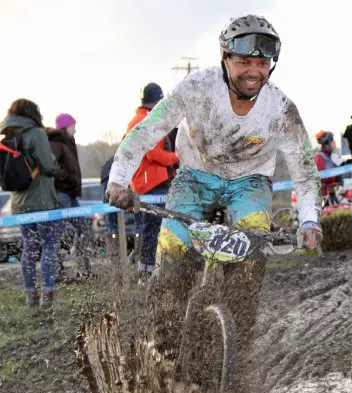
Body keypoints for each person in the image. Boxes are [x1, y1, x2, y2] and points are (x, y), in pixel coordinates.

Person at [106, 14, 322, 352]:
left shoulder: (281, 109)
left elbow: (305, 172)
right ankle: (164, 349)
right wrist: (119, 179)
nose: (254, 71)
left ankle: (237, 354)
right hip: (195, 176)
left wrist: (310, 221)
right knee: (172, 263)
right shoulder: (196, 88)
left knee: (251, 258)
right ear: (225, 59)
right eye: (244, 61)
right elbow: (145, 132)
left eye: (262, 63)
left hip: (249, 182)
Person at [0, 99, 61, 308]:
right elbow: (48, 165)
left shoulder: (8, 135)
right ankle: (48, 293)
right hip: (42, 200)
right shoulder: (36, 133)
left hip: (19, 201)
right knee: (50, 245)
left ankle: (30, 294)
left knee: (29, 246)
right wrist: (54, 162)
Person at [126, 82, 180, 284]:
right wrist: (176, 158)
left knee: (151, 230)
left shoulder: (142, 118)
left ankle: (148, 272)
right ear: (157, 100)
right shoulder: (143, 121)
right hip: (149, 183)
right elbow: (152, 153)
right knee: (151, 230)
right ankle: (145, 275)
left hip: (151, 182)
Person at [47, 113, 92, 281]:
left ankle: (82, 266)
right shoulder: (56, 142)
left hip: (71, 194)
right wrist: (66, 177)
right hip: (62, 193)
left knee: (84, 229)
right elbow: (52, 165)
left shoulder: (69, 142)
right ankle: (57, 271)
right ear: (65, 126)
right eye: (73, 126)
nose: (75, 129)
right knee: (57, 233)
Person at [314, 130, 338, 203]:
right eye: (332, 141)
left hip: (330, 193)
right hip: (324, 195)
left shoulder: (329, 157)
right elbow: (320, 176)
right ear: (327, 145)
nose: (334, 143)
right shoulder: (319, 157)